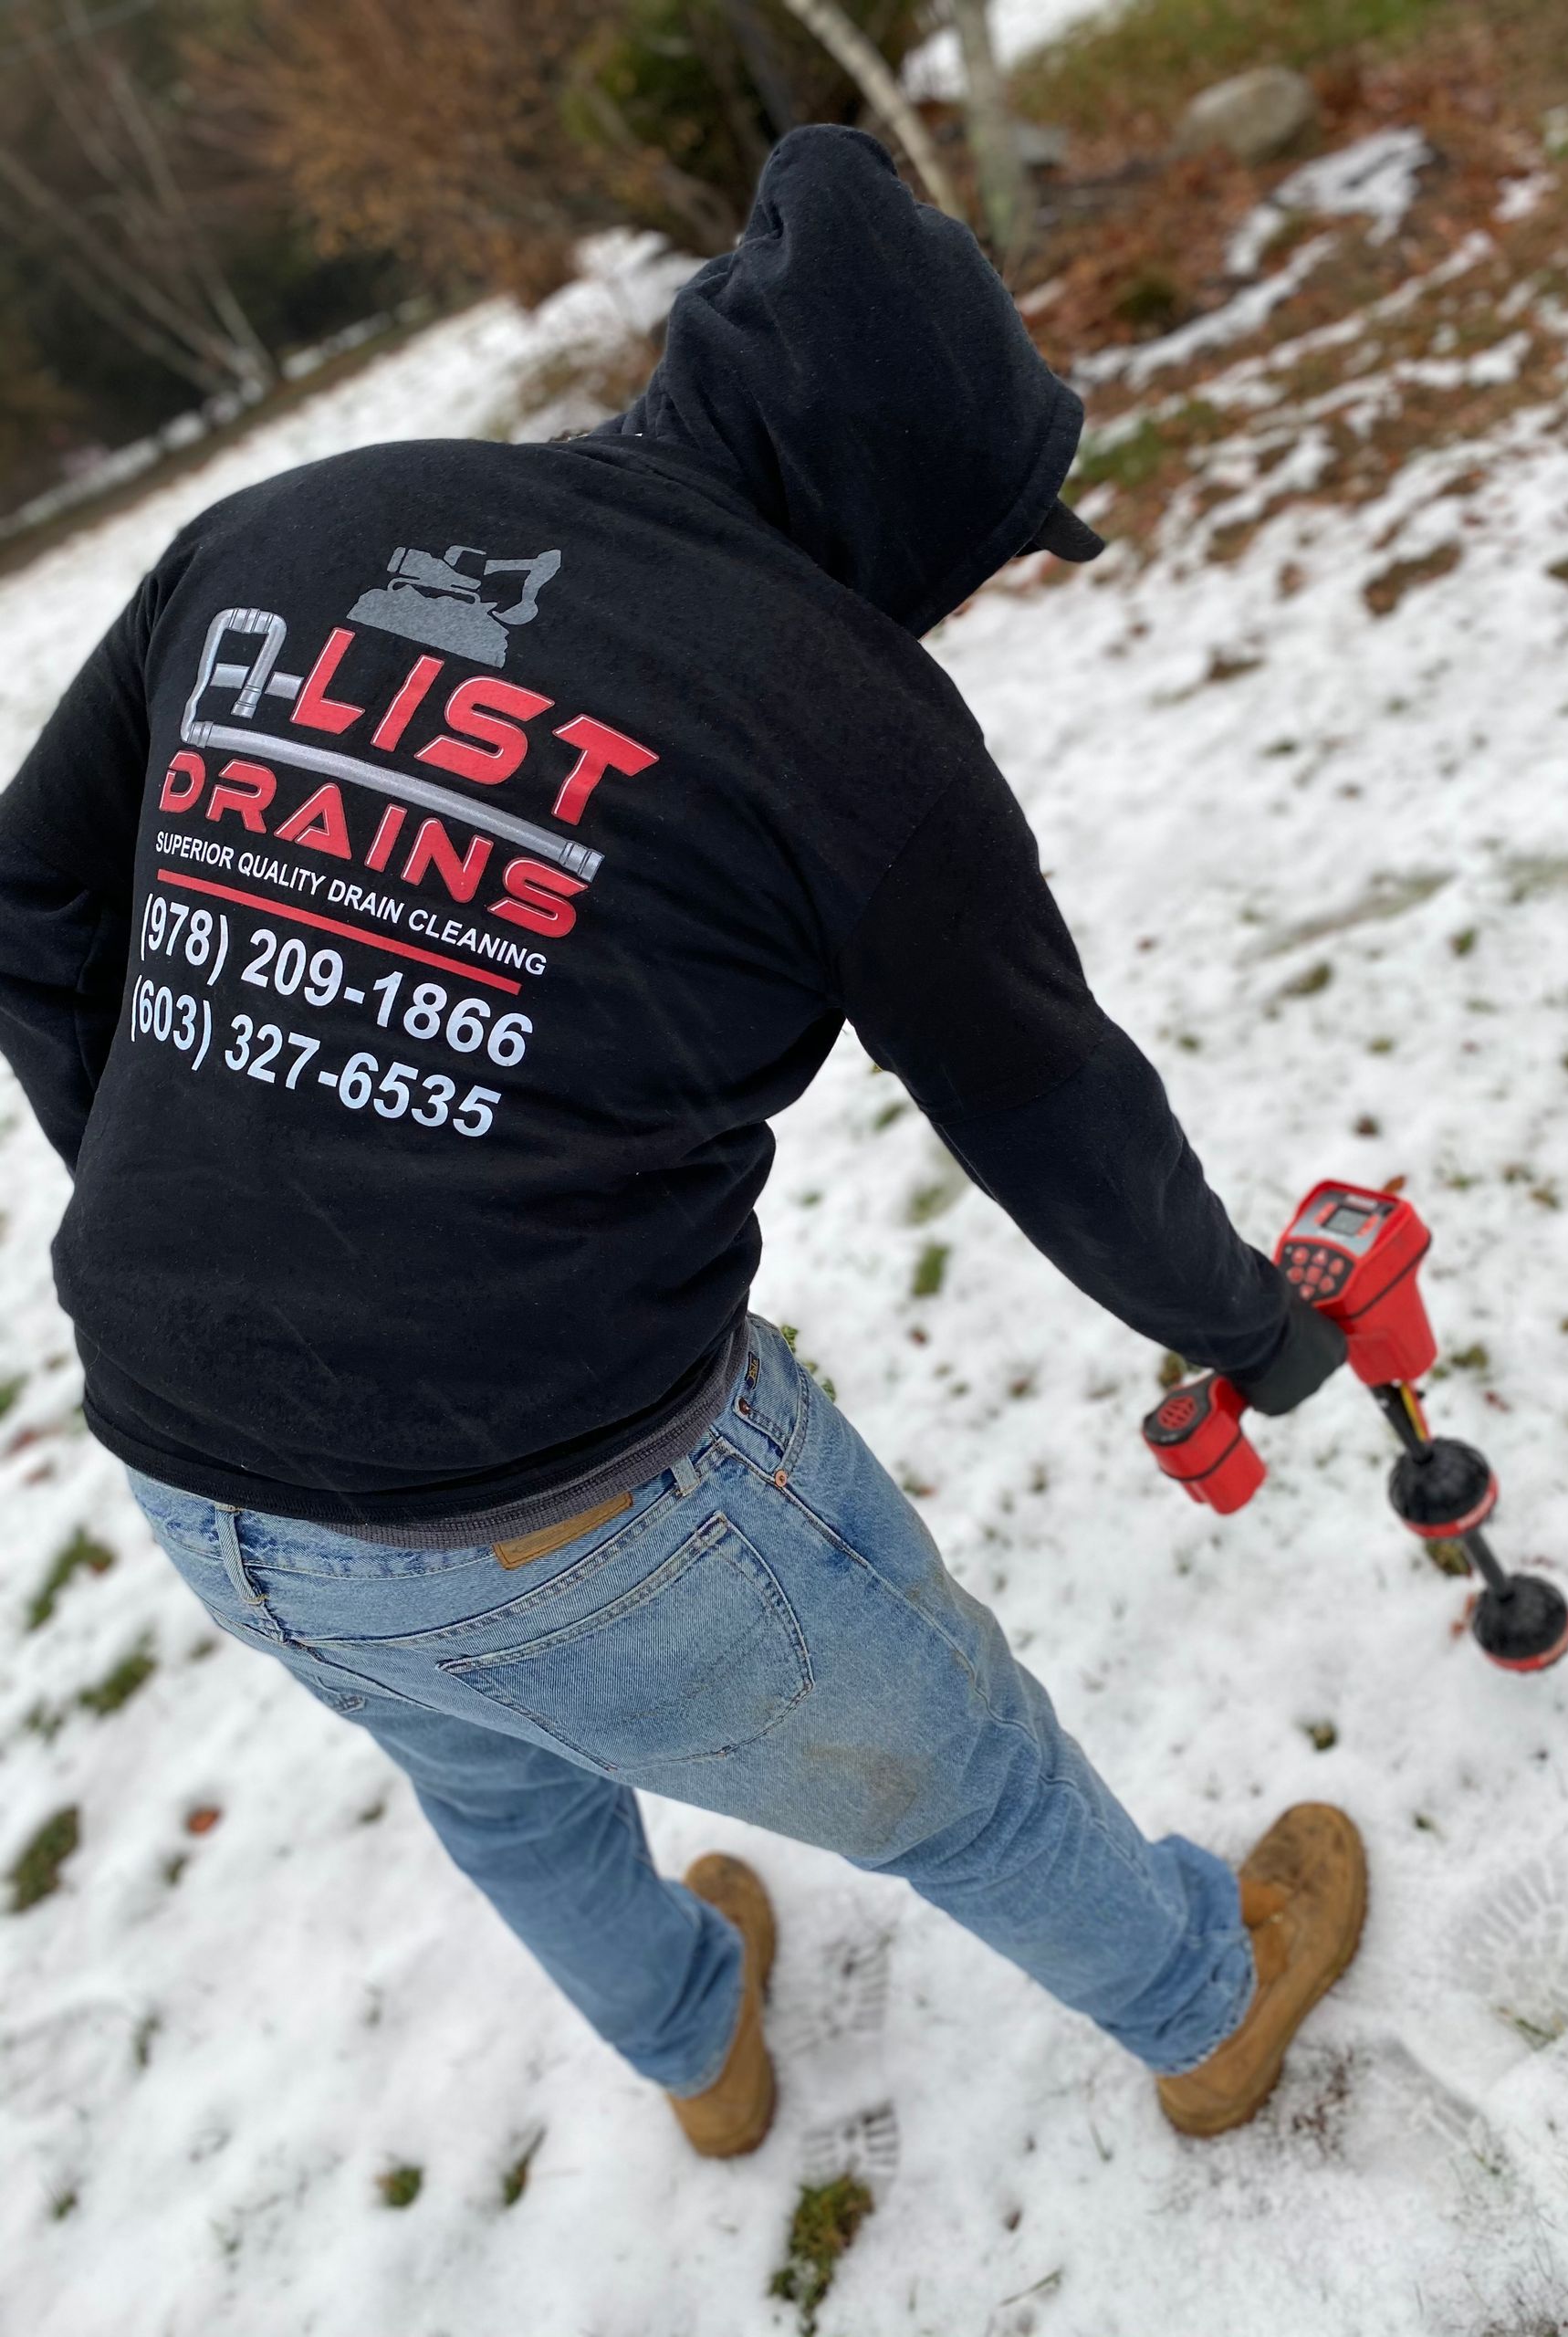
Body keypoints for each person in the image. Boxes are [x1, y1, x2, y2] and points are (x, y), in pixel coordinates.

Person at [0, 125, 1365, 2155]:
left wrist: (183, 1200)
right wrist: (1251, 1323)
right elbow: (1055, 1114)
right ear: (900, 492)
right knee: (957, 1767)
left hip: (196, 1467)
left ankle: (696, 2047)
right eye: (981, 545)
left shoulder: (294, 527)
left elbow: (30, 895)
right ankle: (1209, 1999)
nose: (960, 599)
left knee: (498, 1782)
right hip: (583, 1508)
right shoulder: (843, 713)